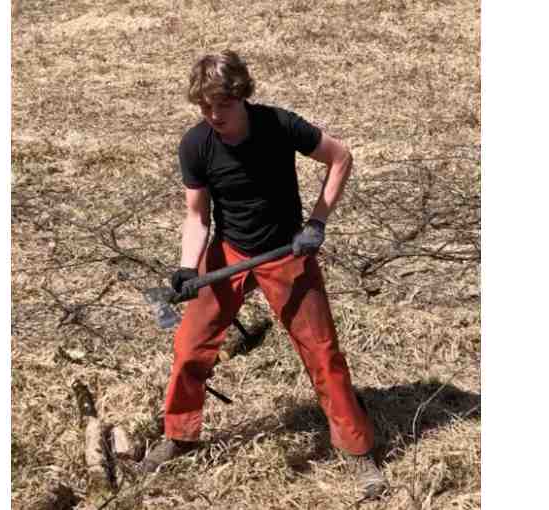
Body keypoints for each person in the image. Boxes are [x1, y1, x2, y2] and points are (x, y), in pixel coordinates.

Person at [141, 50, 387, 498]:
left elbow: (340, 156)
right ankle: (178, 434)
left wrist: (317, 223)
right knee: (189, 346)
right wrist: (186, 266)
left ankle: (357, 450)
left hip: (286, 250)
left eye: (224, 105)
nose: (215, 115)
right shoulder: (196, 144)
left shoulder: (278, 125)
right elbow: (197, 217)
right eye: (205, 107)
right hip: (231, 252)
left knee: (322, 353)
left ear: (242, 97)